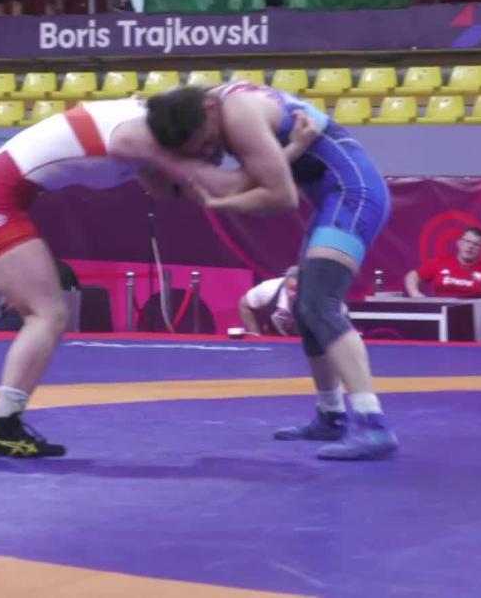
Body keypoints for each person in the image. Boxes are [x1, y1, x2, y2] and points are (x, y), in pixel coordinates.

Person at [0, 97, 310, 457]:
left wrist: (205, 172)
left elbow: (169, 189)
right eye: (208, 144)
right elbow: (225, 187)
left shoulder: (148, 131)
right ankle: (5, 426)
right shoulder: (139, 138)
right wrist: (289, 151)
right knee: (48, 315)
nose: (212, 151)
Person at [145, 83, 397, 461]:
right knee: (305, 308)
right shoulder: (210, 108)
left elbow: (281, 198)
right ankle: (331, 414)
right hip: (336, 197)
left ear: (210, 109)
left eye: (208, 142)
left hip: (354, 194)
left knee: (320, 303)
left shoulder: (238, 113)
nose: (210, 153)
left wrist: (219, 204)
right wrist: (291, 150)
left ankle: (372, 423)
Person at [406, 227, 481, 299]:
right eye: (467, 241)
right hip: (441, 313)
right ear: (459, 243)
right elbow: (413, 275)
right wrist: (415, 294)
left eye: (476, 244)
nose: (470, 246)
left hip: (472, 315)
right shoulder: (439, 262)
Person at [239, 266, 300, 336]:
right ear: (285, 284)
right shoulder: (269, 289)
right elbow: (244, 305)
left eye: (303, 289)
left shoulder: (311, 294)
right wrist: (256, 336)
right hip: (276, 337)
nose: (299, 294)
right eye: (294, 289)